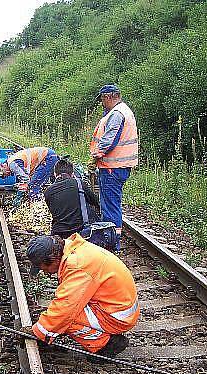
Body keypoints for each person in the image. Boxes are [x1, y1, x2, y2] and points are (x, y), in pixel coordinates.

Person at [24, 234, 140, 357]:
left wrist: (37, 332)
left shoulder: (77, 265)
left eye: (44, 268)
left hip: (116, 317)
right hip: (115, 306)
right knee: (61, 317)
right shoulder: (75, 249)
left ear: (53, 260)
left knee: (68, 318)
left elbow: (66, 308)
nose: (45, 272)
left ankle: (106, 344)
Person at [90, 84, 139, 250]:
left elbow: (109, 139)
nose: (102, 103)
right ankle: (111, 239)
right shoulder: (123, 111)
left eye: (102, 100)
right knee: (112, 204)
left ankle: (111, 244)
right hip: (117, 166)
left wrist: (96, 155)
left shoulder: (117, 114)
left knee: (110, 206)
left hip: (112, 167)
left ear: (108, 97)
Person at [44, 157, 99, 239]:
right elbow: (95, 201)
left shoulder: (48, 191)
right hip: (80, 230)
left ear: (55, 174)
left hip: (58, 233)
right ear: (72, 174)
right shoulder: (79, 183)